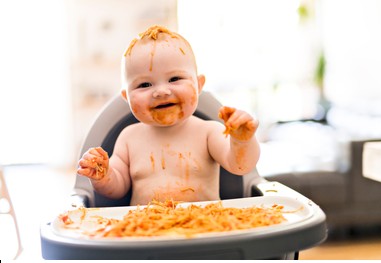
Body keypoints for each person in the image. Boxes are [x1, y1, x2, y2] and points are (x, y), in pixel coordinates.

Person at [77, 25, 260, 206]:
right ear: (127, 97)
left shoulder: (208, 132)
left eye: (174, 79)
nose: (161, 91)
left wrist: (242, 141)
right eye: (144, 85)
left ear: (198, 84)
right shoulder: (128, 138)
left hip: (206, 230)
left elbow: (240, 166)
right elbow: (117, 188)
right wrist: (103, 175)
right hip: (145, 230)